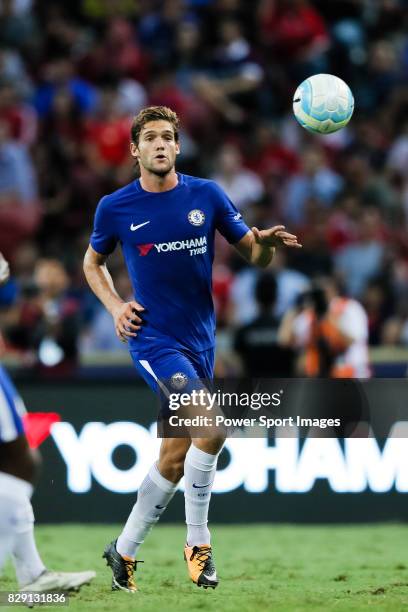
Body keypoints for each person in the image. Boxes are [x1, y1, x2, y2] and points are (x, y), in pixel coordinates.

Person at [83, 105, 301, 592]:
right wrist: (117, 307)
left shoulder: (207, 195)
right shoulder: (115, 207)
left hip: (202, 341)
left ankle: (122, 552)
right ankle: (198, 546)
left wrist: (264, 243)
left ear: (178, 147)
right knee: (212, 426)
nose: (160, 145)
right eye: (151, 138)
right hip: (153, 340)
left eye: (168, 137)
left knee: (175, 457)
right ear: (135, 150)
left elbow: (256, 256)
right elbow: (92, 264)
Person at [0, 251, 96, 592]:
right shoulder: (27, 303)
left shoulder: (69, 306)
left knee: (17, 460)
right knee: (21, 461)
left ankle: (34, 576)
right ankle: (32, 577)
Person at [234, 271, 295, 377]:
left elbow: (238, 368)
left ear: (255, 296)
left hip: (254, 392)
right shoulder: (287, 331)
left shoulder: (244, 331)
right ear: (276, 296)